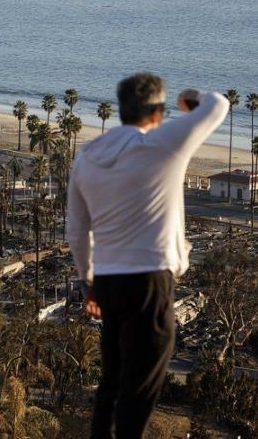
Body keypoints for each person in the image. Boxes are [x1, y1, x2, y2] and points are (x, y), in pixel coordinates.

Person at [66, 72, 229, 439]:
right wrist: (190, 98)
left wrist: (87, 282)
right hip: (149, 281)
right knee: (140, 386)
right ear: (156, 112)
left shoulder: (87, 157)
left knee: (113, 380)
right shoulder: (162, 144)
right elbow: (218, 104)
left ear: (122, 109)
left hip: (107, 281)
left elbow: (76, 231)